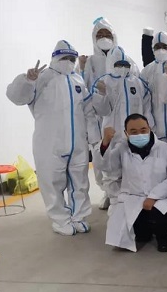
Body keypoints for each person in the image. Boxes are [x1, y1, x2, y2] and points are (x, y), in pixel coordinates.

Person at [6, 41, 99, 235]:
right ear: (54, 57)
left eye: (72, 58)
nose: (68, 61)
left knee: (80, 181)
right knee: (52, 182)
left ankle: (78, 216)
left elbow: (88, 111)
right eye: (64, 57)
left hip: (77, 142)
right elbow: (16, 97)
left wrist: (94, 138)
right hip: (49, 143)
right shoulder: (42, 78)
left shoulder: (78, 80)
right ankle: (60, 220)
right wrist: (27, 80)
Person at [96, 114, 167, 252]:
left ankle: (162, 237)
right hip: (133, 196)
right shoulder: (121, 149)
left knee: (162, 217)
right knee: (137, 232)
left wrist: (153, 196)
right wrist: (105, 142)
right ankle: (143, 232)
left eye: (143, 130)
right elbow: (107, 167)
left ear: (149, 128)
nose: (139, 134)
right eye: (133, 132)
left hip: (161, 198)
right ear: (126, 133)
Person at [91, 46, 152, 208]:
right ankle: (113, 199)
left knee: (135, 167)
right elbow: (101, 110)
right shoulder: (103, 81)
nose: (122, 67)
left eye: (125, 64)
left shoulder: (138, 83)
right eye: (118, 64)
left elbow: (146, 108)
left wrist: (149, 129)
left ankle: (134, 198)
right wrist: (102, 94)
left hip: (135, 135)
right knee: (111, 170)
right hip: (113, 133)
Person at [78, 17, 119, 210]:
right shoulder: (89, 61)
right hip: (96, 118)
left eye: (107, 34)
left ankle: (118, 192)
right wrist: (82, 68)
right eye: (99, 35)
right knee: (99, 156)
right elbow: (81, 89)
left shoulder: (122, 58)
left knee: (118, 155)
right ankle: (107, 192)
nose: (104, 38)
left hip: (116, 115)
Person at [140, 32, 167, 148]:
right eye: (157, 47)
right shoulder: (146, 71)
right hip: (156, 129)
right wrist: (149, 122)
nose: (161, 50)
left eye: (165, 47)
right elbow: (144, 100)